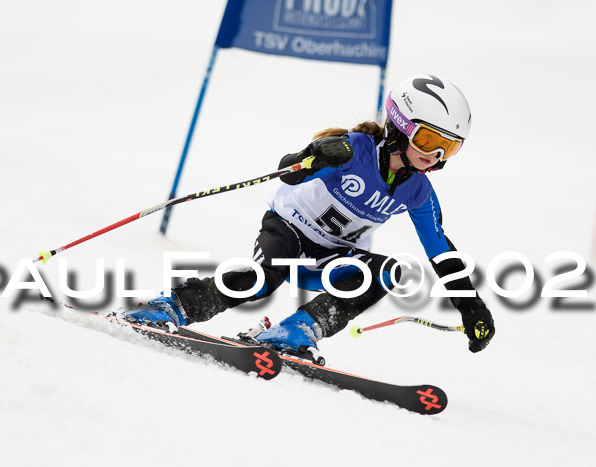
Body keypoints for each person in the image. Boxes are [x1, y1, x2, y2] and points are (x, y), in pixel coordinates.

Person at [125, 74, 495, 361]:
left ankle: (296, 330)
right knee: (261, 281)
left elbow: (441, 251)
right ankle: (172, 306)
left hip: (330, 258)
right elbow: (287, 173)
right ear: (401, 125)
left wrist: (471, 304)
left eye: (449, 148)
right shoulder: (356, 149)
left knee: (388, 272)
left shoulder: (418, 191)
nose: (435, 156)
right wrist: (312, 155)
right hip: (288, 231)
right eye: (429, 140)